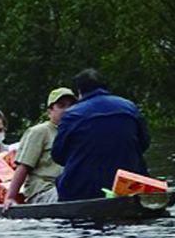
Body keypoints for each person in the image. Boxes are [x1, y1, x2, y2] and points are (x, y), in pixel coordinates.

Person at [51, 68, 150, 201]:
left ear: (79, 92)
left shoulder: (71, 116)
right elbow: (144, 143)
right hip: (129, 186)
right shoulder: (129, 107)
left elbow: (58, 156)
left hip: (83, 190)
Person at [2, 87, 77, 210]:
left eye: (71, 106)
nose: (67, 110)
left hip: (69, 187)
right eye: (61, 106)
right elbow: (23, 166)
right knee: (70, 196)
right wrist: (10, 197)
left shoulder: (77, 132)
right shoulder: (39, 132)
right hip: (44, 191)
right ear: (49, 111)